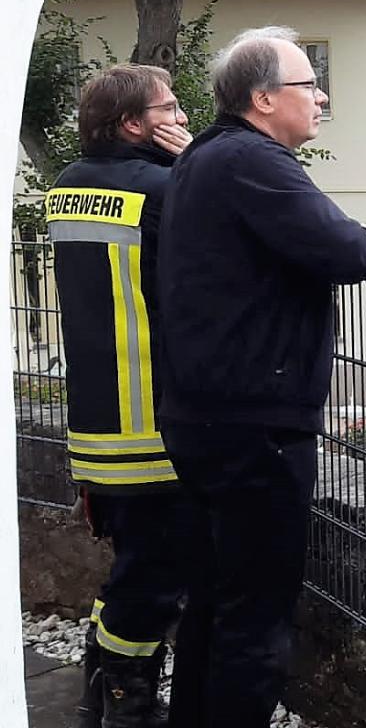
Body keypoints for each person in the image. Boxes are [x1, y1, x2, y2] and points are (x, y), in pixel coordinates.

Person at [156, 26, 366, 728]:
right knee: (256, 624)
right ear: (264, 98)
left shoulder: (203, 159)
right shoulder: (251, 160)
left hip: (202, 414)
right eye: (309, 82)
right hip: (255, 426)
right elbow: (337, 244)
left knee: (214, 605)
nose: (321, 94)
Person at [45, 64, 194, 727]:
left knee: (134, 565)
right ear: (135, 124)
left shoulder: (66, 188)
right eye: (170, 109)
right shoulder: (164, 191)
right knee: (156, 578)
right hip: (155, 429)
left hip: (97, 425)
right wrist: (197, 170)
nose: (184, 117)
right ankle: (128, 706)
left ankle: (97, 689)